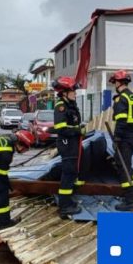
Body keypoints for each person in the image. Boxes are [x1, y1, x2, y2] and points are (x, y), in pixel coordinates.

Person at [109, 69, 133, 211]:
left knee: (122, 167)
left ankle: (130, 201)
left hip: (124, 138)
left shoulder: (121, 99)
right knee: (127, 164)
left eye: (115, 82)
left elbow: (121, 121)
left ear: (118, 83)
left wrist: (117, 138)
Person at [51, 76, 83, 218]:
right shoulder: (61, 106)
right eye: (73, 91)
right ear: (64, 92)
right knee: (68, 173)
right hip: (67, 143)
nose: (75, 93)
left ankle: (68, 201)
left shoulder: (70, 105)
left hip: (72, 143)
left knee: (72, 172)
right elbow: (61, 128)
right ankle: (64, 206)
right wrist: (78, 130)